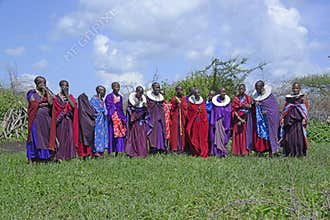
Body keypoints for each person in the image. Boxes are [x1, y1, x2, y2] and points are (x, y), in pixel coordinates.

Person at [26, 76, 53, 163]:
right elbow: (33, 103)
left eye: (44, 83)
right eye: (41, 83)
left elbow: (51, 103)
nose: (43, 85)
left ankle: (43, 157)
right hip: (35, 119)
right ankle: (33, 157)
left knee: (45, 137)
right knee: (34, 137)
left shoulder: (45, 94)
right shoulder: (32, 93)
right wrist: (42, 104)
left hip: (45, 120)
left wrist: (47, 92)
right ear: (37, 84)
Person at [49, 80, 78, 161]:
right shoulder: (57, 97)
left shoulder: (70, 97)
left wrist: (67, 96)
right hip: (60, 121)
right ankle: (59, 157)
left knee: (69, 138)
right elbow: (55, 109)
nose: (66, 87)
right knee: (60, 138)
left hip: (68, 121)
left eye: (67, 85)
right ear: (60, 87)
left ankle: (68, 156)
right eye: (64, 85)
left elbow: (73, 107)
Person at [251, 80, 280, 155]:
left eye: (258, 88)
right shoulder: (257, 96)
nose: (257, 90)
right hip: (262, 120)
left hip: (271, 118)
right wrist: (256, 105)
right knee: (265, 134)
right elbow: (256, 105)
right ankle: (263, 151)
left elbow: (273, 108)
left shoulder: (270, 97)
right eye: (256, 88)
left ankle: (273, 151)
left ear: (262, 87)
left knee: (272, 133)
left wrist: (267, 112)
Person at [280, 82, 309, 156]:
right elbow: (285, 108)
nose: (295, 89)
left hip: (298, 120)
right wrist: (283, 118)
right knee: (288, 137)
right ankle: (289, 152)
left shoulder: (302, 98)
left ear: (300, 89)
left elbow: (305, 109)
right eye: (294, 88)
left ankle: (299, 153)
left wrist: (304, 119)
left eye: (297, 88)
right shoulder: (289, 98)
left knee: (299, 137)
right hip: (289, 120)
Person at [125, 86, 149, 158]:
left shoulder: (143, 99)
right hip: (135, 123)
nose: (140, 94)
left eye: (142, 93)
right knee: (134, 137)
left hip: (141, 121)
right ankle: (133, 152)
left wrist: (145, 107)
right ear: (136, 91)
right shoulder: (132, 99)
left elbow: (146, 112)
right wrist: (138, 102)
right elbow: (130, 109)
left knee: (142, 137)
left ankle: (142, 153)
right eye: (139, 92)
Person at [105, 82, 127, 156]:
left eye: (118, 87)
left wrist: (122, 117)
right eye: (115, 86)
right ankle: (111, 152)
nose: (117, 88)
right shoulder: (109, 96)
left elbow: (120, 108)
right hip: (112, 119)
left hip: (119, 118)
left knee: (120, 135)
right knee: (112, 135)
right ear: (112, 87)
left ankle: (118, 152)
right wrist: (114, 111)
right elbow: (108, 107)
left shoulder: (120, 97)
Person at [186, 88, 209, 158]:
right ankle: (195, 151)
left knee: (202, 138)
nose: (198, 94)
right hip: (194, 123)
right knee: (194, 138)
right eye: (196, 93)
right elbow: (189, 114)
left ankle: (203, 152)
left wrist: (201, 113)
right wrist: (195, 115)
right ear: (194, 94)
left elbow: (204, 114)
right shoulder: (190, 103)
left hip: (202, 123)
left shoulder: (202, 102)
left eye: (199, 93)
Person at [231, 84, 253, 156]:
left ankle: (245, 151)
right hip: (237, 118)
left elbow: (250, 108)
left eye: (242, 89)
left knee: (245, 135)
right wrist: (239, 119)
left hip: (246, 118)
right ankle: (237, 151)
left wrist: (244, 119)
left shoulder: (248, 98)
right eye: (240, 89)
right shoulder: (235, 98)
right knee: (237, 135)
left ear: (245, 89)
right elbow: (233, 110)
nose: (241, 90)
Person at [209, 88, 232, 157]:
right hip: (218, 122)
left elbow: (229, 111)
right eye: (221, 92)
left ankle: (223, 152)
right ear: (219, 93)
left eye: (224, 92)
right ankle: (217, 152)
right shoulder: (215, 102)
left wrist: (224, 113)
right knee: (217, 137)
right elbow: (213, 111)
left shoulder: (227, 103)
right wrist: (213, 121)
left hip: (225, 122)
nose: (223, 93)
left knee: (224, 137)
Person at [146, 82, 167, 153]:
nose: (158, 89)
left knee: (161, 133)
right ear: (153, 88)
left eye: (159, 87)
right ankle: (153, 148)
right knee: (153, 134)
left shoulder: (161, 98)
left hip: (160, 119)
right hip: (152, 119)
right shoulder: (149, 98)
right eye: (156, 87)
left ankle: (161, 148)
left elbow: (163, 107)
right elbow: (148, 108)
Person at [90, 86, 109, 157]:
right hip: (97, 121)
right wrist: (102, 111)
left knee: (103, 136)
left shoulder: (102, 100)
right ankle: (96, 151)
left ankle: (101, 151)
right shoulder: (93, 99)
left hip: (103, 122)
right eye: (103, 91)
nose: (104, 93)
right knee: (96, 135)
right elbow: (95, 110)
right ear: (98, 91)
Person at [169, 86, 188, 153]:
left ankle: (182, 148)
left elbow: (185, 108)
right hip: (175, 118)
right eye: (178, 90)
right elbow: (171, 109)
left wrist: (182, 107)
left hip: (182, 118)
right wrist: (175, 104)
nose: (179, 91)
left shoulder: (184, 99)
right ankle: (174, 148)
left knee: (182, 133)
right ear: (176, 90)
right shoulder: (174, 99)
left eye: (180, 90)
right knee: (175, 133)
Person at [77, 93, 95, 159]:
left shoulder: (79, 110)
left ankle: (83, 155)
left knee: (82, 140)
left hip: (82, 130)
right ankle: (87, 154)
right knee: (87, 141)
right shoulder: (88, 108)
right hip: (87, 129)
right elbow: (92, 114)